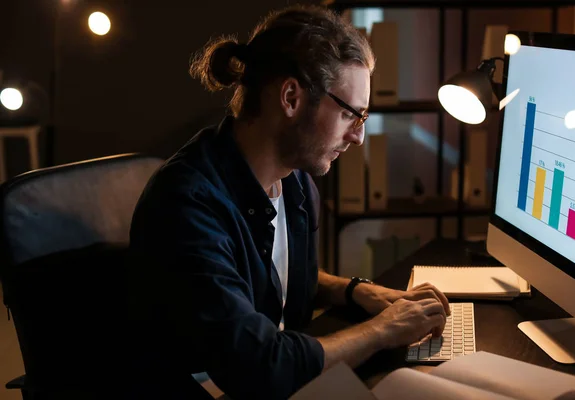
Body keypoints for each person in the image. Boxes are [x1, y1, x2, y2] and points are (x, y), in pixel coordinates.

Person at [127, 4, 450, 400]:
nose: (358, 137)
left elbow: (273, 276)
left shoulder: (294, 181)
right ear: (291, 98)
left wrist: (355, 291)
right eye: (352, 115)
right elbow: (260, 365)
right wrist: (384, 330)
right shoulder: (188, 206)